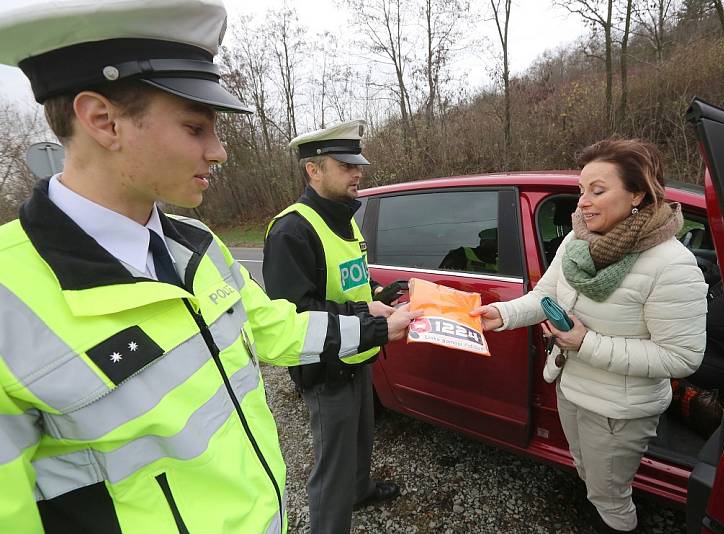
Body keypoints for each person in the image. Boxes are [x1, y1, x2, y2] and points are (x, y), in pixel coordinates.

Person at [0, 2, 418, 533]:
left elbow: (275, 326)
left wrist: (378, 325)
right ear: (103, 121)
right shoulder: (9, 297)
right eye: (196, 127)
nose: (218, 152)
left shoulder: (197, 245)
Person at [472, 139, 708, 533]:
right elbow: (545, 297)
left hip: (619, 410)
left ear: (637, 193)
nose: (582, 202)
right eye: (582, 190)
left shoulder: (672, 265)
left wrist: (586, 343)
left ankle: (618, 523)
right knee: (587, 471)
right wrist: (501, 313)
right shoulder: (577, 240)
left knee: (609, 492)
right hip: (571, 387)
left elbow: (682, 357)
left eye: (598, 190)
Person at [263, 120, 402, 534]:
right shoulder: (292, 229)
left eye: (357, 163)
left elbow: (352, 278)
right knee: (333, 464)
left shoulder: (345, 216)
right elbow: (294, 313)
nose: (357, 172)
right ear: (314, 170)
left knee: (362, 439)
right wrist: (368, 313)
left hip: (359, 351)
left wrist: (382, 290)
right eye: (345, 165)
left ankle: (360, 491)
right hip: (326, 365)